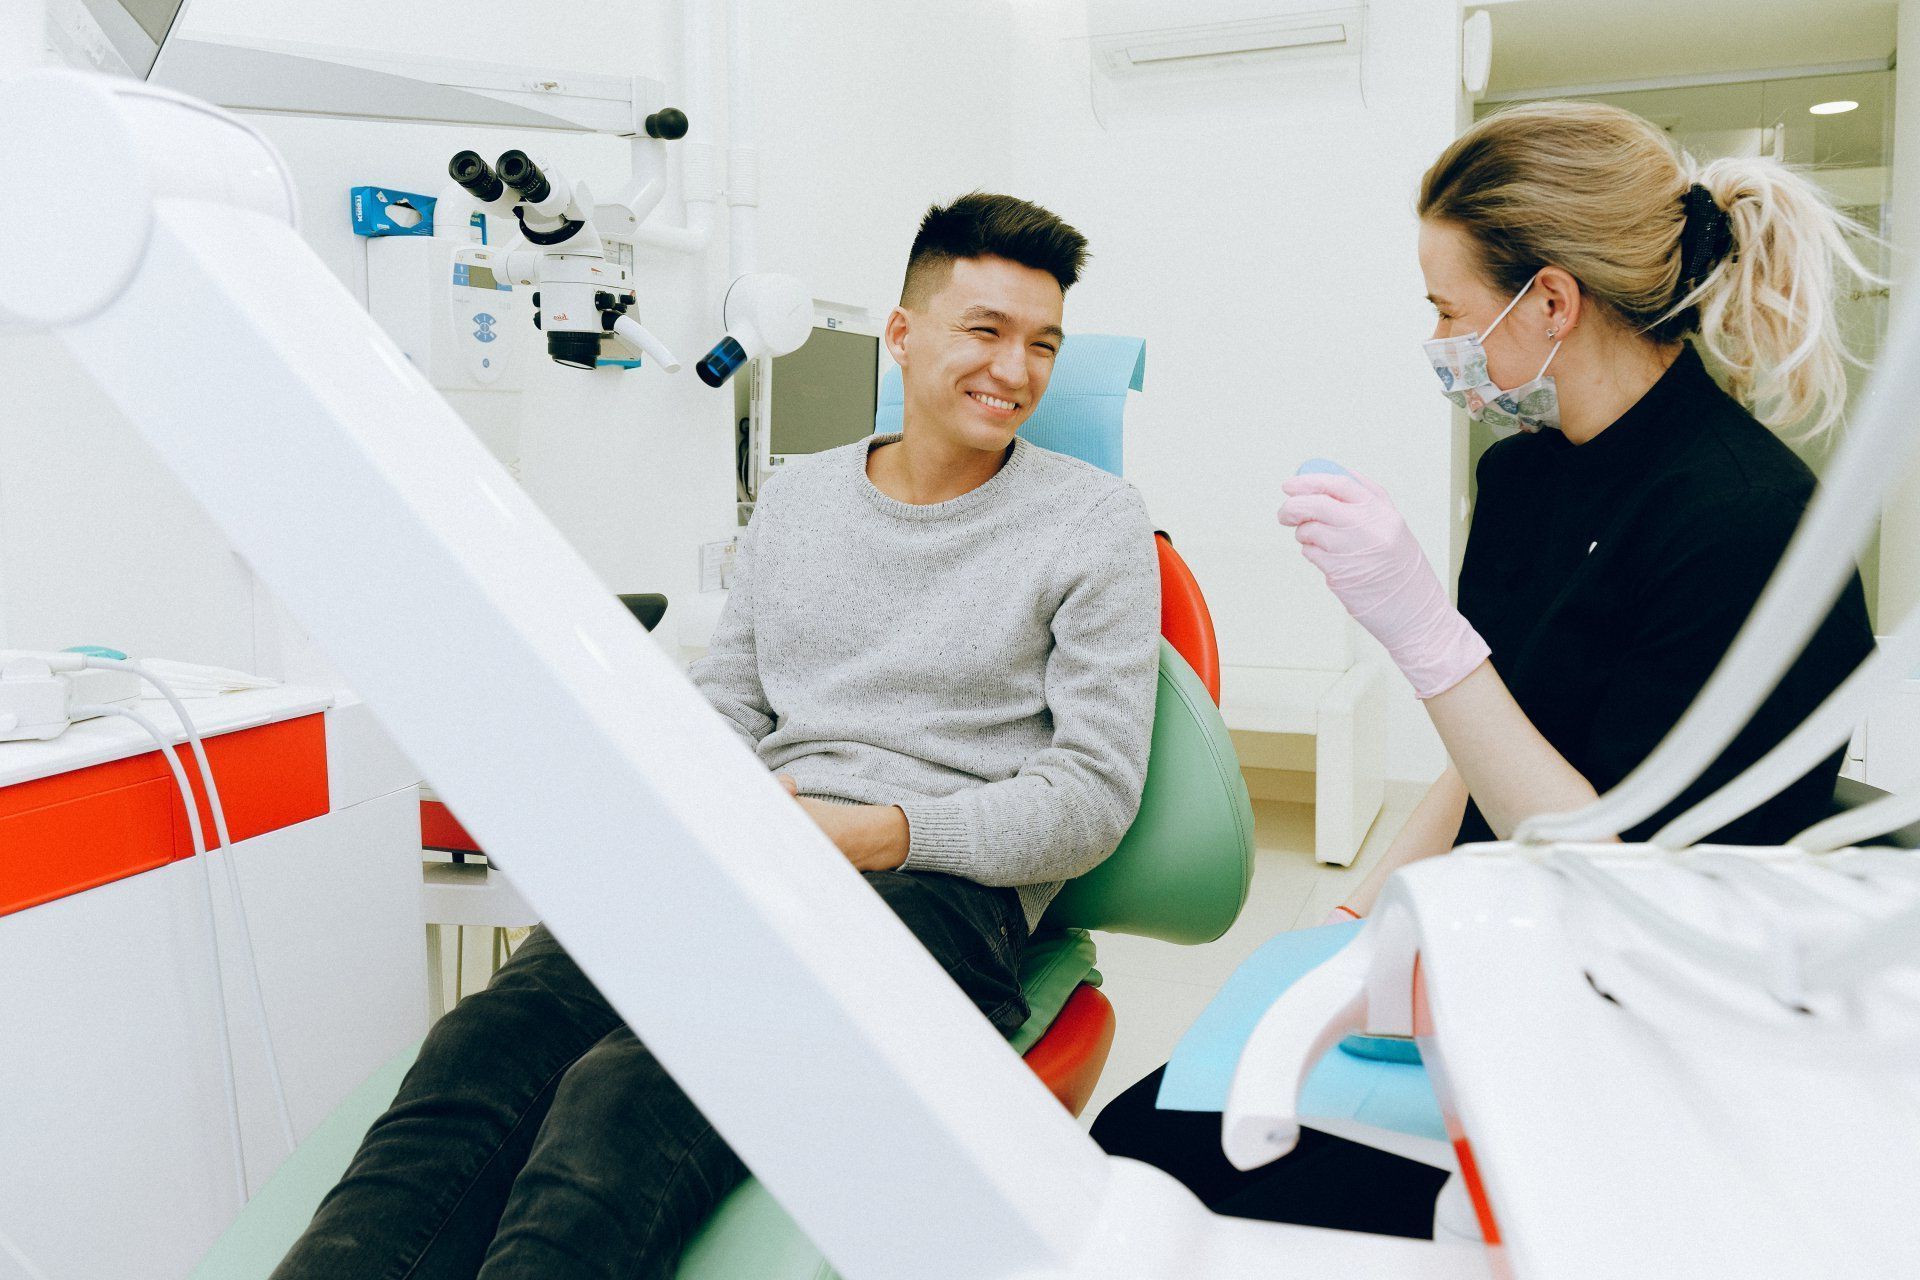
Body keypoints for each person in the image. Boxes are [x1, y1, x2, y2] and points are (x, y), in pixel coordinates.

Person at [272, 192, 1161, 1280]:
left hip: (931, 888)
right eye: (986, 331)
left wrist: (875, 832)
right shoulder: (797, 502)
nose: (1014, 370)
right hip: (748, 853)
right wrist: (673, 804)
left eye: (1043, 344)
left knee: (625, 1091)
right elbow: (729, 704)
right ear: (903, 331)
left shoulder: (1096, 522)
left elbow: (1091, 795)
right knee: (483, 1048)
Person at [1092, 101, 1876, 1236]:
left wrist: (1422, 633)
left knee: (1167, 1183)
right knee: (1139, 1137)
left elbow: (1625, 887)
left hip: (1634, 1027)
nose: (1441, 341)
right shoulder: (1526, 476)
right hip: (1485, 955)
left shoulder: (1745, 521)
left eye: (1448, 310)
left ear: (1551, 300)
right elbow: (1485, 743)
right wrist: (1352, 920)